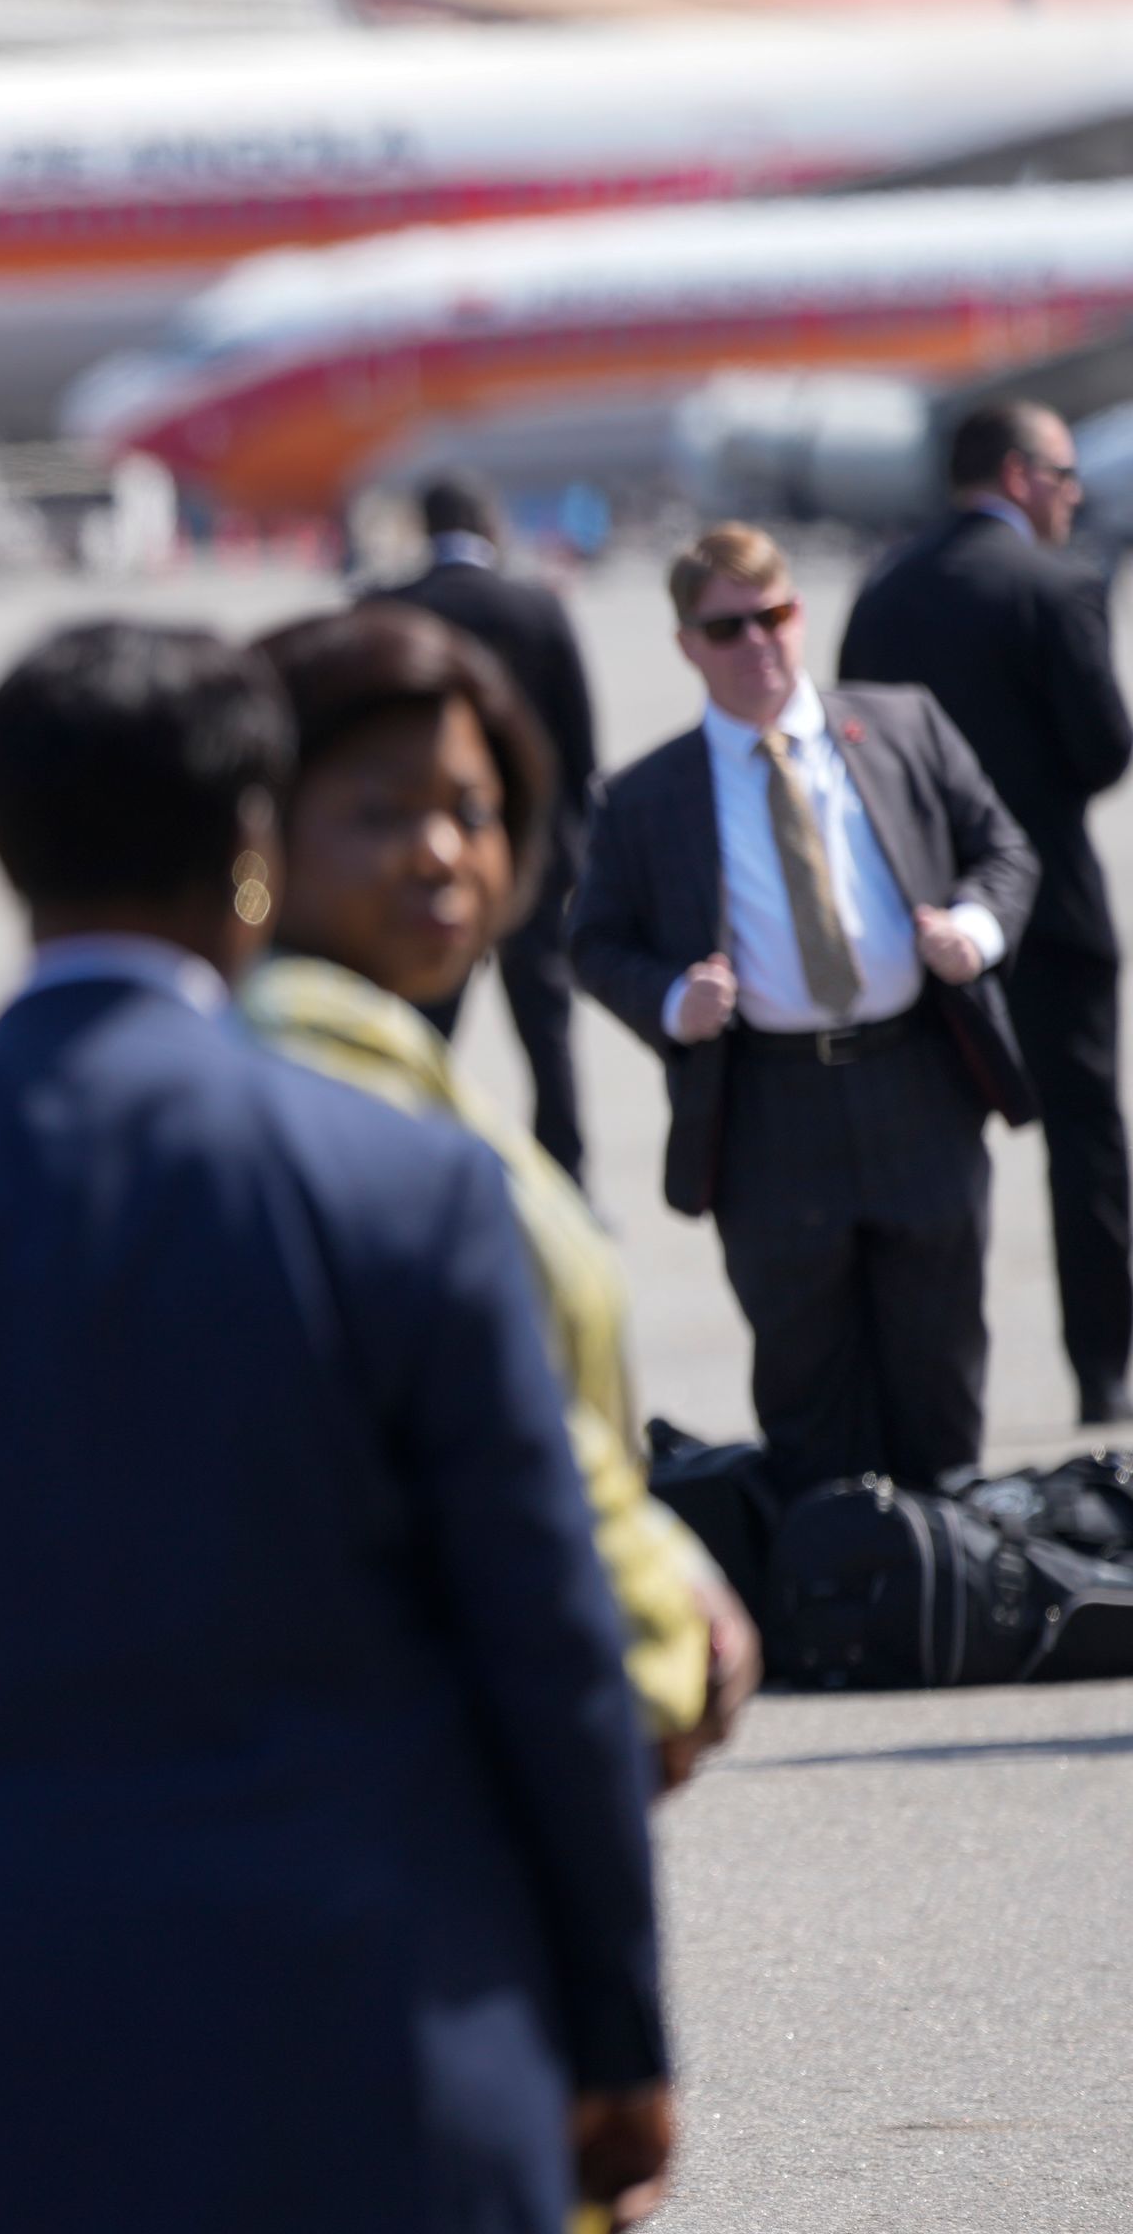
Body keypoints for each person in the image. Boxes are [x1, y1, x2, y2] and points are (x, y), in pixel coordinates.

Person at [0, 620, 672, 2234]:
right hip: (375, 2048)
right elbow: (545, 1649)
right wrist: (615, 2037)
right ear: (254, 851)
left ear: (2, 845)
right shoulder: (408, 1191)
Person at [238, 602, 758, 1786]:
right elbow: (504, 1428)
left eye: (472, 810)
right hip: (415, 1758)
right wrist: (663, 1629)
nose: (439, 851)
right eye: (377, 813)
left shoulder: (394, 1066)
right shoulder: (311, 1086)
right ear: (257, 838)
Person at [573, 524, 1039, 1493]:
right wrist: (671, 999)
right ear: (687, 645)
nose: (759, 645)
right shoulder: (644, 796)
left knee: (940, 1367)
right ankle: (840, 1606)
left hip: (917, 1079)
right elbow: (592, 942)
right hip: (771, 1112)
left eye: (775, 616)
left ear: (801, 613)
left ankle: (948, 1598)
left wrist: (973, 931)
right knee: (807, 1383)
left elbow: (1005, 853)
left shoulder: (901, 725)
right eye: (728, 627)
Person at [841, 399, 1133, 1422]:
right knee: (1087, 1141)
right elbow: (1104, 748)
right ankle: (1103, 1371)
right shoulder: (1058, 584)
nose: (1073, 495)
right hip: (1051, 909)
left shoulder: (884, 589)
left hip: (920, 914)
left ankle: (925, 1388)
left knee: (925, 1153)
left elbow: (853, 736)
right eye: (1061, 475)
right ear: (1016, 475)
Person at [372, 471, 602, 1179]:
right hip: (529, 857)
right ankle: (567, 1181)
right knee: (547, 1033)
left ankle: (405, 1170)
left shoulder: (389, 609)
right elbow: (581, 747)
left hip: (427, 856)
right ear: (489, 524)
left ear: (421, 526)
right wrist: (574, 858)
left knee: (421, 1030)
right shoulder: (538, 607)